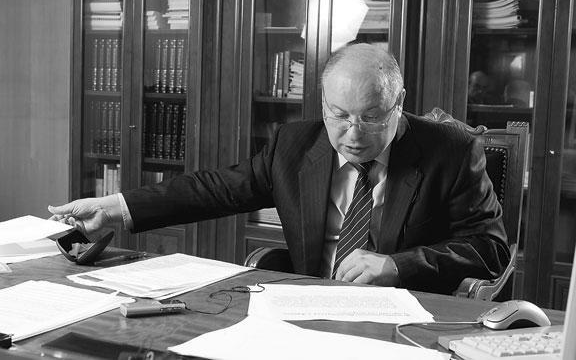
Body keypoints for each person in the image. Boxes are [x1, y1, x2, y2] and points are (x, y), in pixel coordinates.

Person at [49, 43, 509, 295]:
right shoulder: (295, 144)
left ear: (399, 104)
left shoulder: (451, 150)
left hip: (408, 316)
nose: (353, 134)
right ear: (323, 103)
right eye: (339, 115)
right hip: (305, 310)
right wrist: (116, 208)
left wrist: (397, 265)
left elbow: (490, 249)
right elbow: (215, 189)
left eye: (371, 117)